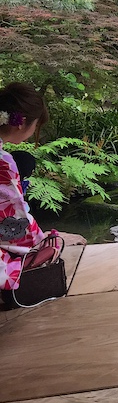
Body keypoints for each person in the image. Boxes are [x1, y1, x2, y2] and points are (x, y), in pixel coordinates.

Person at [0, 82, 61, 291]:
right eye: (36, 125)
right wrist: (39, 240)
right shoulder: (3, 162)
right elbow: (12, 215)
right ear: (21, 122)